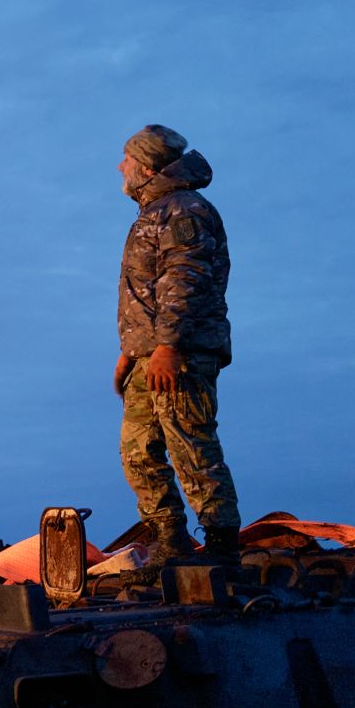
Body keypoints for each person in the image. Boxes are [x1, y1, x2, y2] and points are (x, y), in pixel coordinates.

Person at [113, 125, 241, 571]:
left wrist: (168, 347)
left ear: (147, 167)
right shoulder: (154, 213)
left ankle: (222, 548)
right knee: (138, 450)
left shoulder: (184, 210)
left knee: (191, 445)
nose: (120, 167)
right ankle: (171, 542)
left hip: (180, 354)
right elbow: (149, 292)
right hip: (149, 356)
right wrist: (131, 352)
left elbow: (184, 280)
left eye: (127, 159)